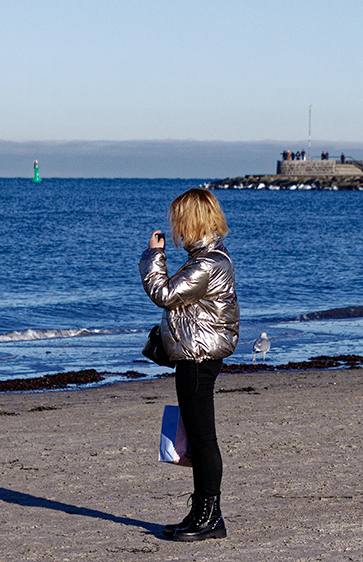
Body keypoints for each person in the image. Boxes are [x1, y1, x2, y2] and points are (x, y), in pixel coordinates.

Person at [139, 188, 239, 542]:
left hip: (199, 358)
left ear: (193, 220)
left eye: (180, 219)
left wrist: (155, 256)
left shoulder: (209, 263)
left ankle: (210, 516)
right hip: (195, 356)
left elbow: (164, 295)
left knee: (203, 439)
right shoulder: (207, 258)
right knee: (199, 439)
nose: (176, 226)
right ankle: (202, 513)